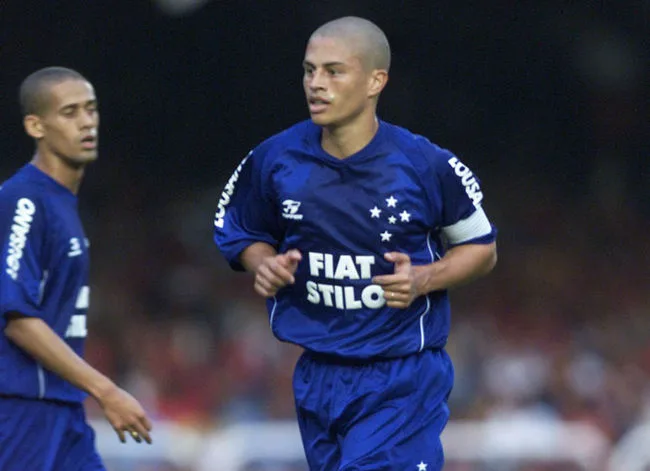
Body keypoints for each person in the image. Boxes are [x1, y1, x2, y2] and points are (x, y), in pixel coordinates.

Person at [213, 16, 497, 471]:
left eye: (333, 71)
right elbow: (241, 229)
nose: (316, 84)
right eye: (309, 70)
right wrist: (262, 261)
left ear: (375, 81)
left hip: (399, 376)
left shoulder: (425, 165)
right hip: (316, 374)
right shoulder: (275, 158)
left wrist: (426, 277)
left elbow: (482, 248)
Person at [0, 67, 153, 471]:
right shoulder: (25, 201)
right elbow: (15, 317)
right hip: (22, 410)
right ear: (36, 125)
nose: (87, 122)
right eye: (69, 112)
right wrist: (106, 390)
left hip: (62, 409)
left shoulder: (61, 203)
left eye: (91, 109)